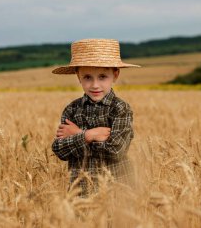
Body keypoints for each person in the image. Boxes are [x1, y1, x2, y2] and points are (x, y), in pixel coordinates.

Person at [51, 38, 140, 196]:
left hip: (118, 191)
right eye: (87, 77)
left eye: (102, 77)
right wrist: (90, 135)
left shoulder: (120, 108)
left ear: (115, 74)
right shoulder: (72, 109)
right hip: (81, 192)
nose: (95, 85)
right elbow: (60, 150)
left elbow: (116, 151)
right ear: (78, 76)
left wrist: (79, 135)